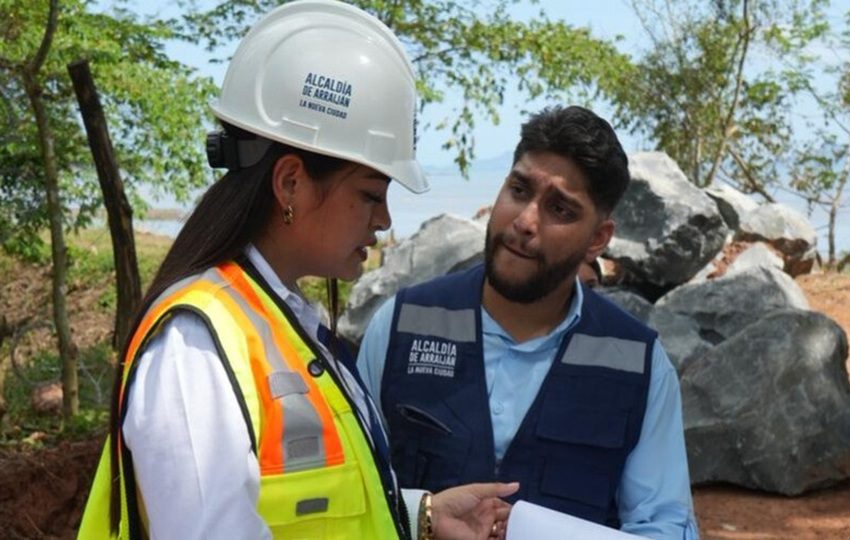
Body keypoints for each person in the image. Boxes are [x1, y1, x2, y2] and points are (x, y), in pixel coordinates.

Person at [78, 2, 517, 538]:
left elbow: (302, 509)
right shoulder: (195, 346)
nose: (383, 219)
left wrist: (418, 515)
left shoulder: (283, 323)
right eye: (369, 195)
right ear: (290, 183)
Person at [357, 106, 700, 539]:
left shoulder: (639, 365)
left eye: (560, 209)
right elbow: (350, 496)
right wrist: (420, 516)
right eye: (519, 190)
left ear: (598, 239)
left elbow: (665, 529)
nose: (525, 222)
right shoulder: (400, 327)